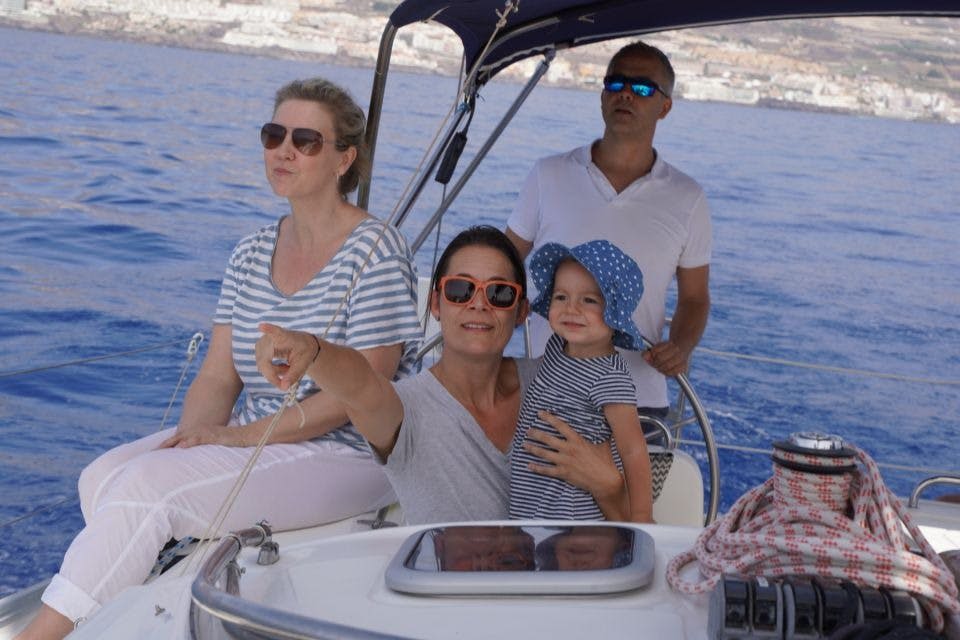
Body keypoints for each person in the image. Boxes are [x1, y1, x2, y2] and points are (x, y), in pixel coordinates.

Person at [17, 78, 422, 640]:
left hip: (349, 455)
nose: (283, 150)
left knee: (147, 489)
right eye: (273, 134)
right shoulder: (252, 250)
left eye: (305, 140)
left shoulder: (377, 250)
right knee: (104, 475)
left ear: (343, 159)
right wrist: (195, 439)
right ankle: (132, 606)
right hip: (258, 435)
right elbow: (217, 371)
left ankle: (40, 634)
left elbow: (366, 391)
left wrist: (235, 439)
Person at [255, 225, 630, 527]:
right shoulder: (406, 410)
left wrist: (610, 489)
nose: (478, 303)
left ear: (520, 312)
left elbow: (637, 528)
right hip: (451, 612)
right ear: (435, 303)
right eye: (460, 289)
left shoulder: (564, 383)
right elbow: (361, 384)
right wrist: (313, 350)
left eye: (499, 292)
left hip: (565, 598)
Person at [505, 40, 711, 422]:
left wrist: (679, 346)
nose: (627, 95)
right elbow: (505, 258)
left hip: (640, 396)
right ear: (602, 96)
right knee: (533, 484)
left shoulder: (688, 197)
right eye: (616, 84)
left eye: (643, 88)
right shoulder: (548, 174)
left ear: (664, 107)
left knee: (628, 486)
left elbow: (695, 298)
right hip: (545, 388)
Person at [510, 240, 654, 522]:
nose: (571, 309)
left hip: (575, 518)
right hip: (531, 508)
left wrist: (641, 520)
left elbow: (633, 450)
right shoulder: (555, 347)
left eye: (589, 300)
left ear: (614, 311)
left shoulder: (609, 377)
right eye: (561, 297)